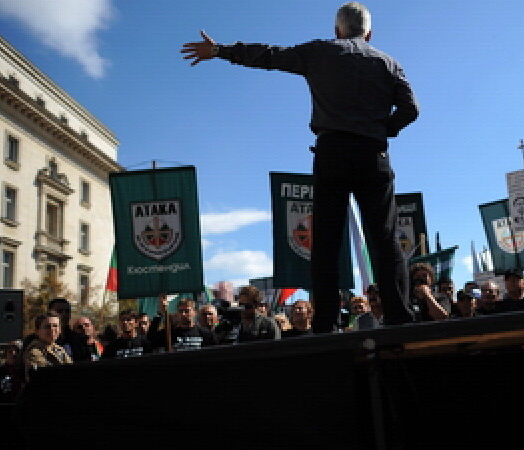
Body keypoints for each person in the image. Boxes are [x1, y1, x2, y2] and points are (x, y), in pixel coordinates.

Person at [181, 2, 419, 333]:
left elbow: (269, 55)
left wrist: (220, 50)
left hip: (332, 151)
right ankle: (400, 318)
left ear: (337, 30)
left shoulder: (320, 52)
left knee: (326, 242)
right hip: (372, 153)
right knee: (385, 238)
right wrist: (383, 129)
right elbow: (411, 109)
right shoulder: (388, 63)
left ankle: (325, 324)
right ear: (370, 33)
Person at [148, 296, 216, 352]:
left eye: (187, 311)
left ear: (195, 312)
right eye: (180, 311)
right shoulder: (169, 334)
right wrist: (160, 313)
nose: (183, 314)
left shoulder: (205, 334)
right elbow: (150, 339)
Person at [23, 313, 72, 382]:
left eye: (55, 326)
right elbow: (44, 376)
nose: (52, 329)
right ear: (37, 331)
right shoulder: (34, 352)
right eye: (47, 327)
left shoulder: (60, 350)